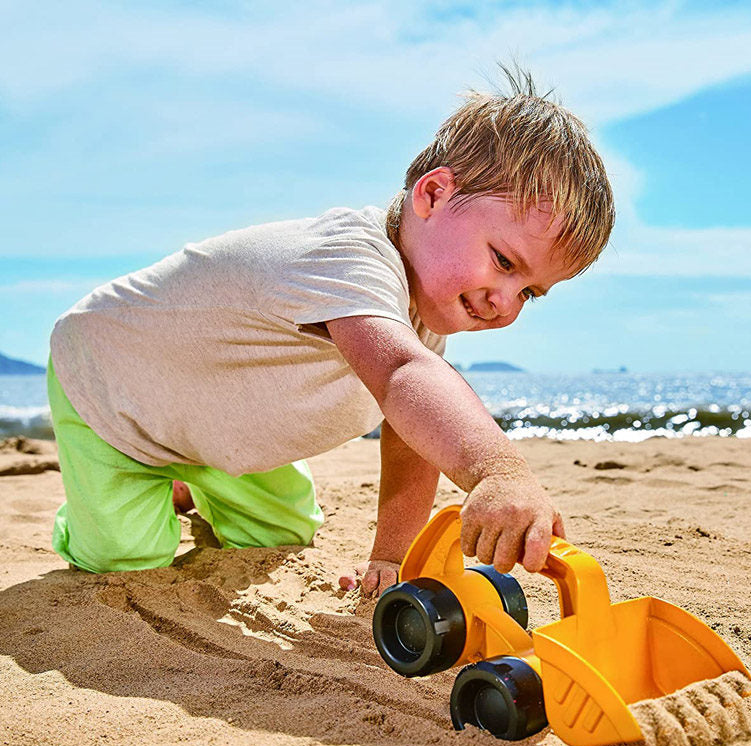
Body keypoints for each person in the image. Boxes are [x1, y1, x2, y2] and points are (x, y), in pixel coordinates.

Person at [47, 67, 614, 597]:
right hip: (113, 390)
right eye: (504, 263)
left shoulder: (416, 314)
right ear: (433, 195)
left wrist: (392, 558)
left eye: (529, 294)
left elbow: (412, 431)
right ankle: (98, 507)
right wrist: (498, 471)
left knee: (282, 534)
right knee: (128, 559)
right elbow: (403, 377)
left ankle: (189, 483)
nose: (504, 304)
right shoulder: (348, 258)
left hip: (215, 424)